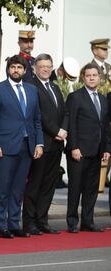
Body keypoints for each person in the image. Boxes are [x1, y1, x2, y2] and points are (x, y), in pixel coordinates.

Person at [0, 54, 43, 239]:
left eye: (19, 67)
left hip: (27, 146)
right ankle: (1, 226)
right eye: (13, 67)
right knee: (3, 188)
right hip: (4, 146)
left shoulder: (32, 90)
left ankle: (14, 224)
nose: (16, 70)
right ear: (8, 69)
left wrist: (39, 143)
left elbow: (36, 120)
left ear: (25, 70)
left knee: (18, 189)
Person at [23, 54, 67, 235]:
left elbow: (65, 112)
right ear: (35, 68)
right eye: (42, 66)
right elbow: (39, 114)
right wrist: (56, 131)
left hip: (56, 145)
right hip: (42, 144)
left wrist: (63, 129)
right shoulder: (32, 87)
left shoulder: (55, 87)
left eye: (48, 66)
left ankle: (43, 220)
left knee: (49, 185)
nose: (46, 69)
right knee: (35, 184)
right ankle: (29, 222)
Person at [65, 63, 111, 233]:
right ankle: (72, 222)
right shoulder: (75, 97)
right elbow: (71, 125)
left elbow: (105, 126)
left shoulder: (103, 99)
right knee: (75, 188)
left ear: (99, 77)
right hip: (79, 152)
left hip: (97, 151)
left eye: (95, 75)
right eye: (88, 75)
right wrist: (74, 147)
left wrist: (107, 148)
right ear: (83, 77)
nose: (92, 78)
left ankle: (87, 221)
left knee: (91, 189)